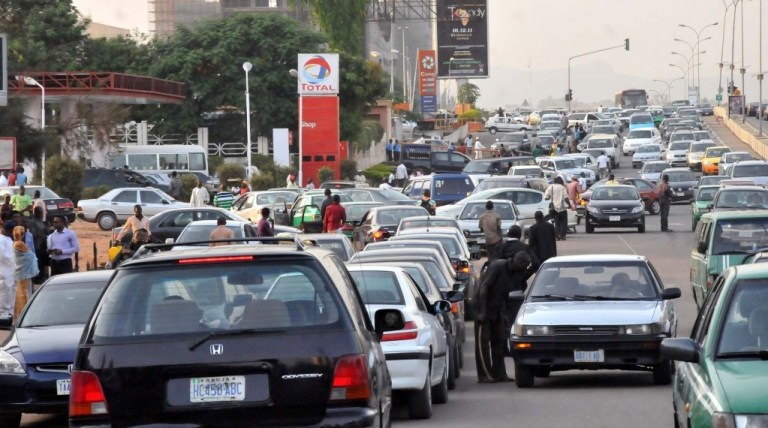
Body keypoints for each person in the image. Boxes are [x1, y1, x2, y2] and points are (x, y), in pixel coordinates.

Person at [475, 251, 534, 383]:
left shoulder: (517, 273)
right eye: (524, 265)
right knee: (483, 342)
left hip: (498, 307)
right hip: (483, 305)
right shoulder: (498, 266)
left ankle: (499, 373)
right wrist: (483, 312)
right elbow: (484, 288)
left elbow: (506, 295)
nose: (525, 268)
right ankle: (484, 374)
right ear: (518, 262)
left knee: (500, 340)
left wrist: (505, 315)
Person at [12, 224, 38, 319]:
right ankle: (23, 314)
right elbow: (30, 255)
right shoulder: (19, 244)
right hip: (24, 273)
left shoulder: (14, 243)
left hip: (20, 272)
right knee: (24, 293)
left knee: (20, 292)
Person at [28, 207, 48, 284]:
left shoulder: (40, 221)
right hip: (36, 245)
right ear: (36, 213)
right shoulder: (33, 222)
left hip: (42, 245)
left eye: (42, 212)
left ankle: (43, 276)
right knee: (38, 262)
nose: (42, 214)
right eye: (40, 212)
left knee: (43, 262)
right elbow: (33, 234)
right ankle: (37, 278)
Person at [0, 221, 16, 319]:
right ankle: (3, 313)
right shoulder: (1, 239)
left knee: (10, 292)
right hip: (4, 272)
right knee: (5, 292)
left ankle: (9, 312)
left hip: (11, 272)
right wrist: (14, 261)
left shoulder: (9, 239)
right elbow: (3, 256)